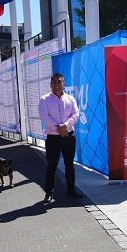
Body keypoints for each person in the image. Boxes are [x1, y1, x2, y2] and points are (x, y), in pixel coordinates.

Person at [38, 73, 83, 203]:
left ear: (63, 84)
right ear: (51, 84)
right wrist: (58, 128)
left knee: (70, 165)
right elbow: (44, 116)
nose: (56, 85)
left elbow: (76, 114)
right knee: (52, 166)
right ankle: (49, 193)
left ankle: (71, 190)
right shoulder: (44, 100)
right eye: (54, 82)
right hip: (53, 139)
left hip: (69, 138)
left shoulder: (70, 99)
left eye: (59, 82)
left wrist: (65, 126)